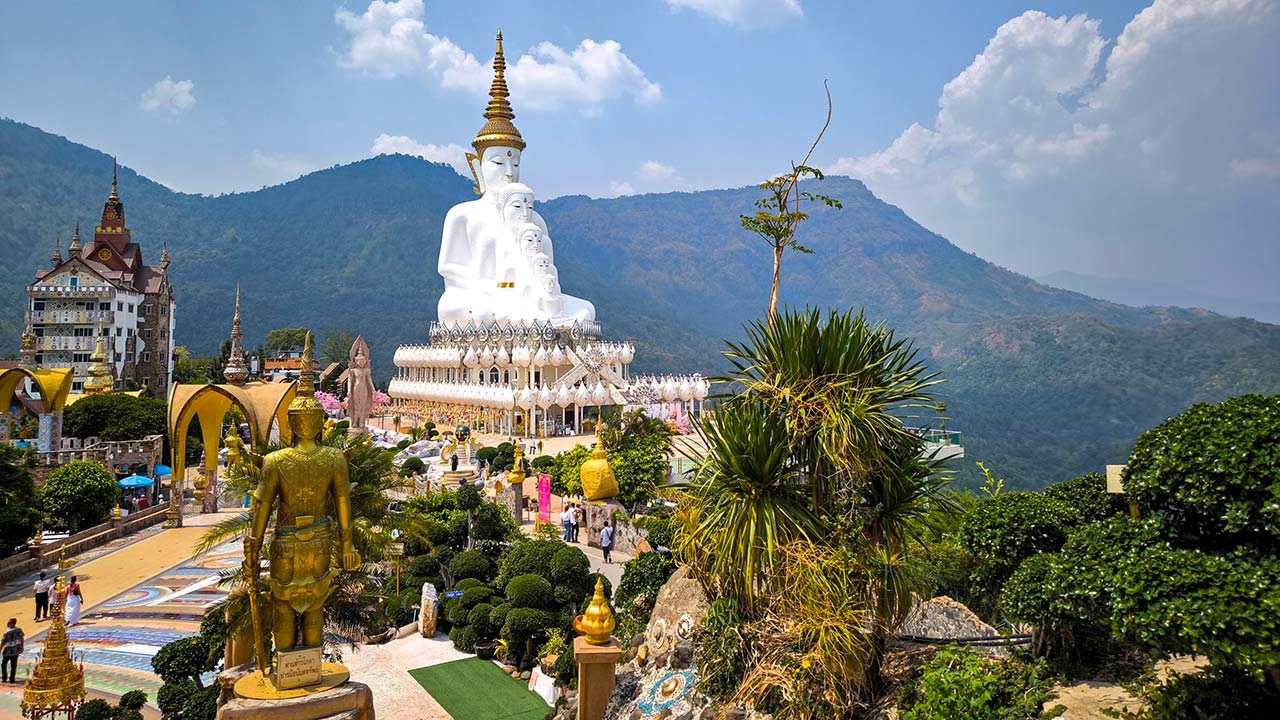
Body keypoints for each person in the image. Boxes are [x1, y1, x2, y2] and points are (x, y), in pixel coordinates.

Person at [1, 619, 22, 683]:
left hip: (8, 651)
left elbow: (3, 642)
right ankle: (12, 679)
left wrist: (0, 649)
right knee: (13, 665)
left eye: (9, 622)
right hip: (16, 651)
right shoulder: (19, 630)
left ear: (13, 623)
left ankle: (5, 678)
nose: (8, 623)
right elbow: (22, 638)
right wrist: (21, 646)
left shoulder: (7, 633)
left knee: (3, 665)